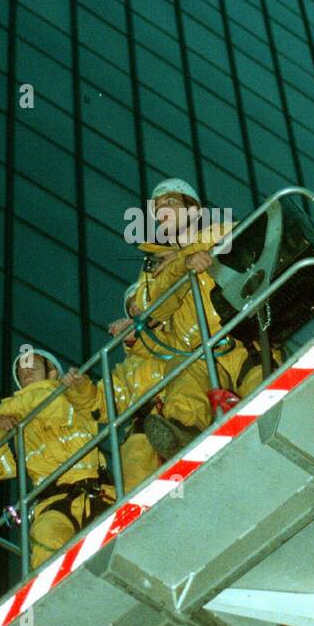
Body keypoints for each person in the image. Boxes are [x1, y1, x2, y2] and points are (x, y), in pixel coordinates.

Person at [128, 180, 274, 465]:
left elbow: (259, 252)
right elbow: (151, 310)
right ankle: (183, 435)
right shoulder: (154, 267)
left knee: (263, 385)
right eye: (156, 209)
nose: (161, 212)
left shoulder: (224, 231)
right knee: (183, 380)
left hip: (244, 336)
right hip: (195, 351)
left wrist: (204, 254)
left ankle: (275, 423)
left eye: (169, 203)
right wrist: (183, 264)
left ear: (193, 210)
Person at [0, 346, 114, 568]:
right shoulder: (15, 423)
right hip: (52, 505)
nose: (26, 371)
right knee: (48, 554)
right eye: (21, 370)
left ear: (52, 373)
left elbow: (99, 406)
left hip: (99, 493)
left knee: (122, 546)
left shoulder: (72, 394)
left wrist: (81, 385)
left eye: (33, 366)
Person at [61, 287, 172, 495]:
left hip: (183, 412)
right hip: (144, 430)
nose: (135, 308)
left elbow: (178, 353)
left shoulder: (182, 329)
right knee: (135, 473)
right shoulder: (126, 369)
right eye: (131, 308)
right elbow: (104, 403)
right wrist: (81, 387)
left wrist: (140, 339)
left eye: (141, 301)